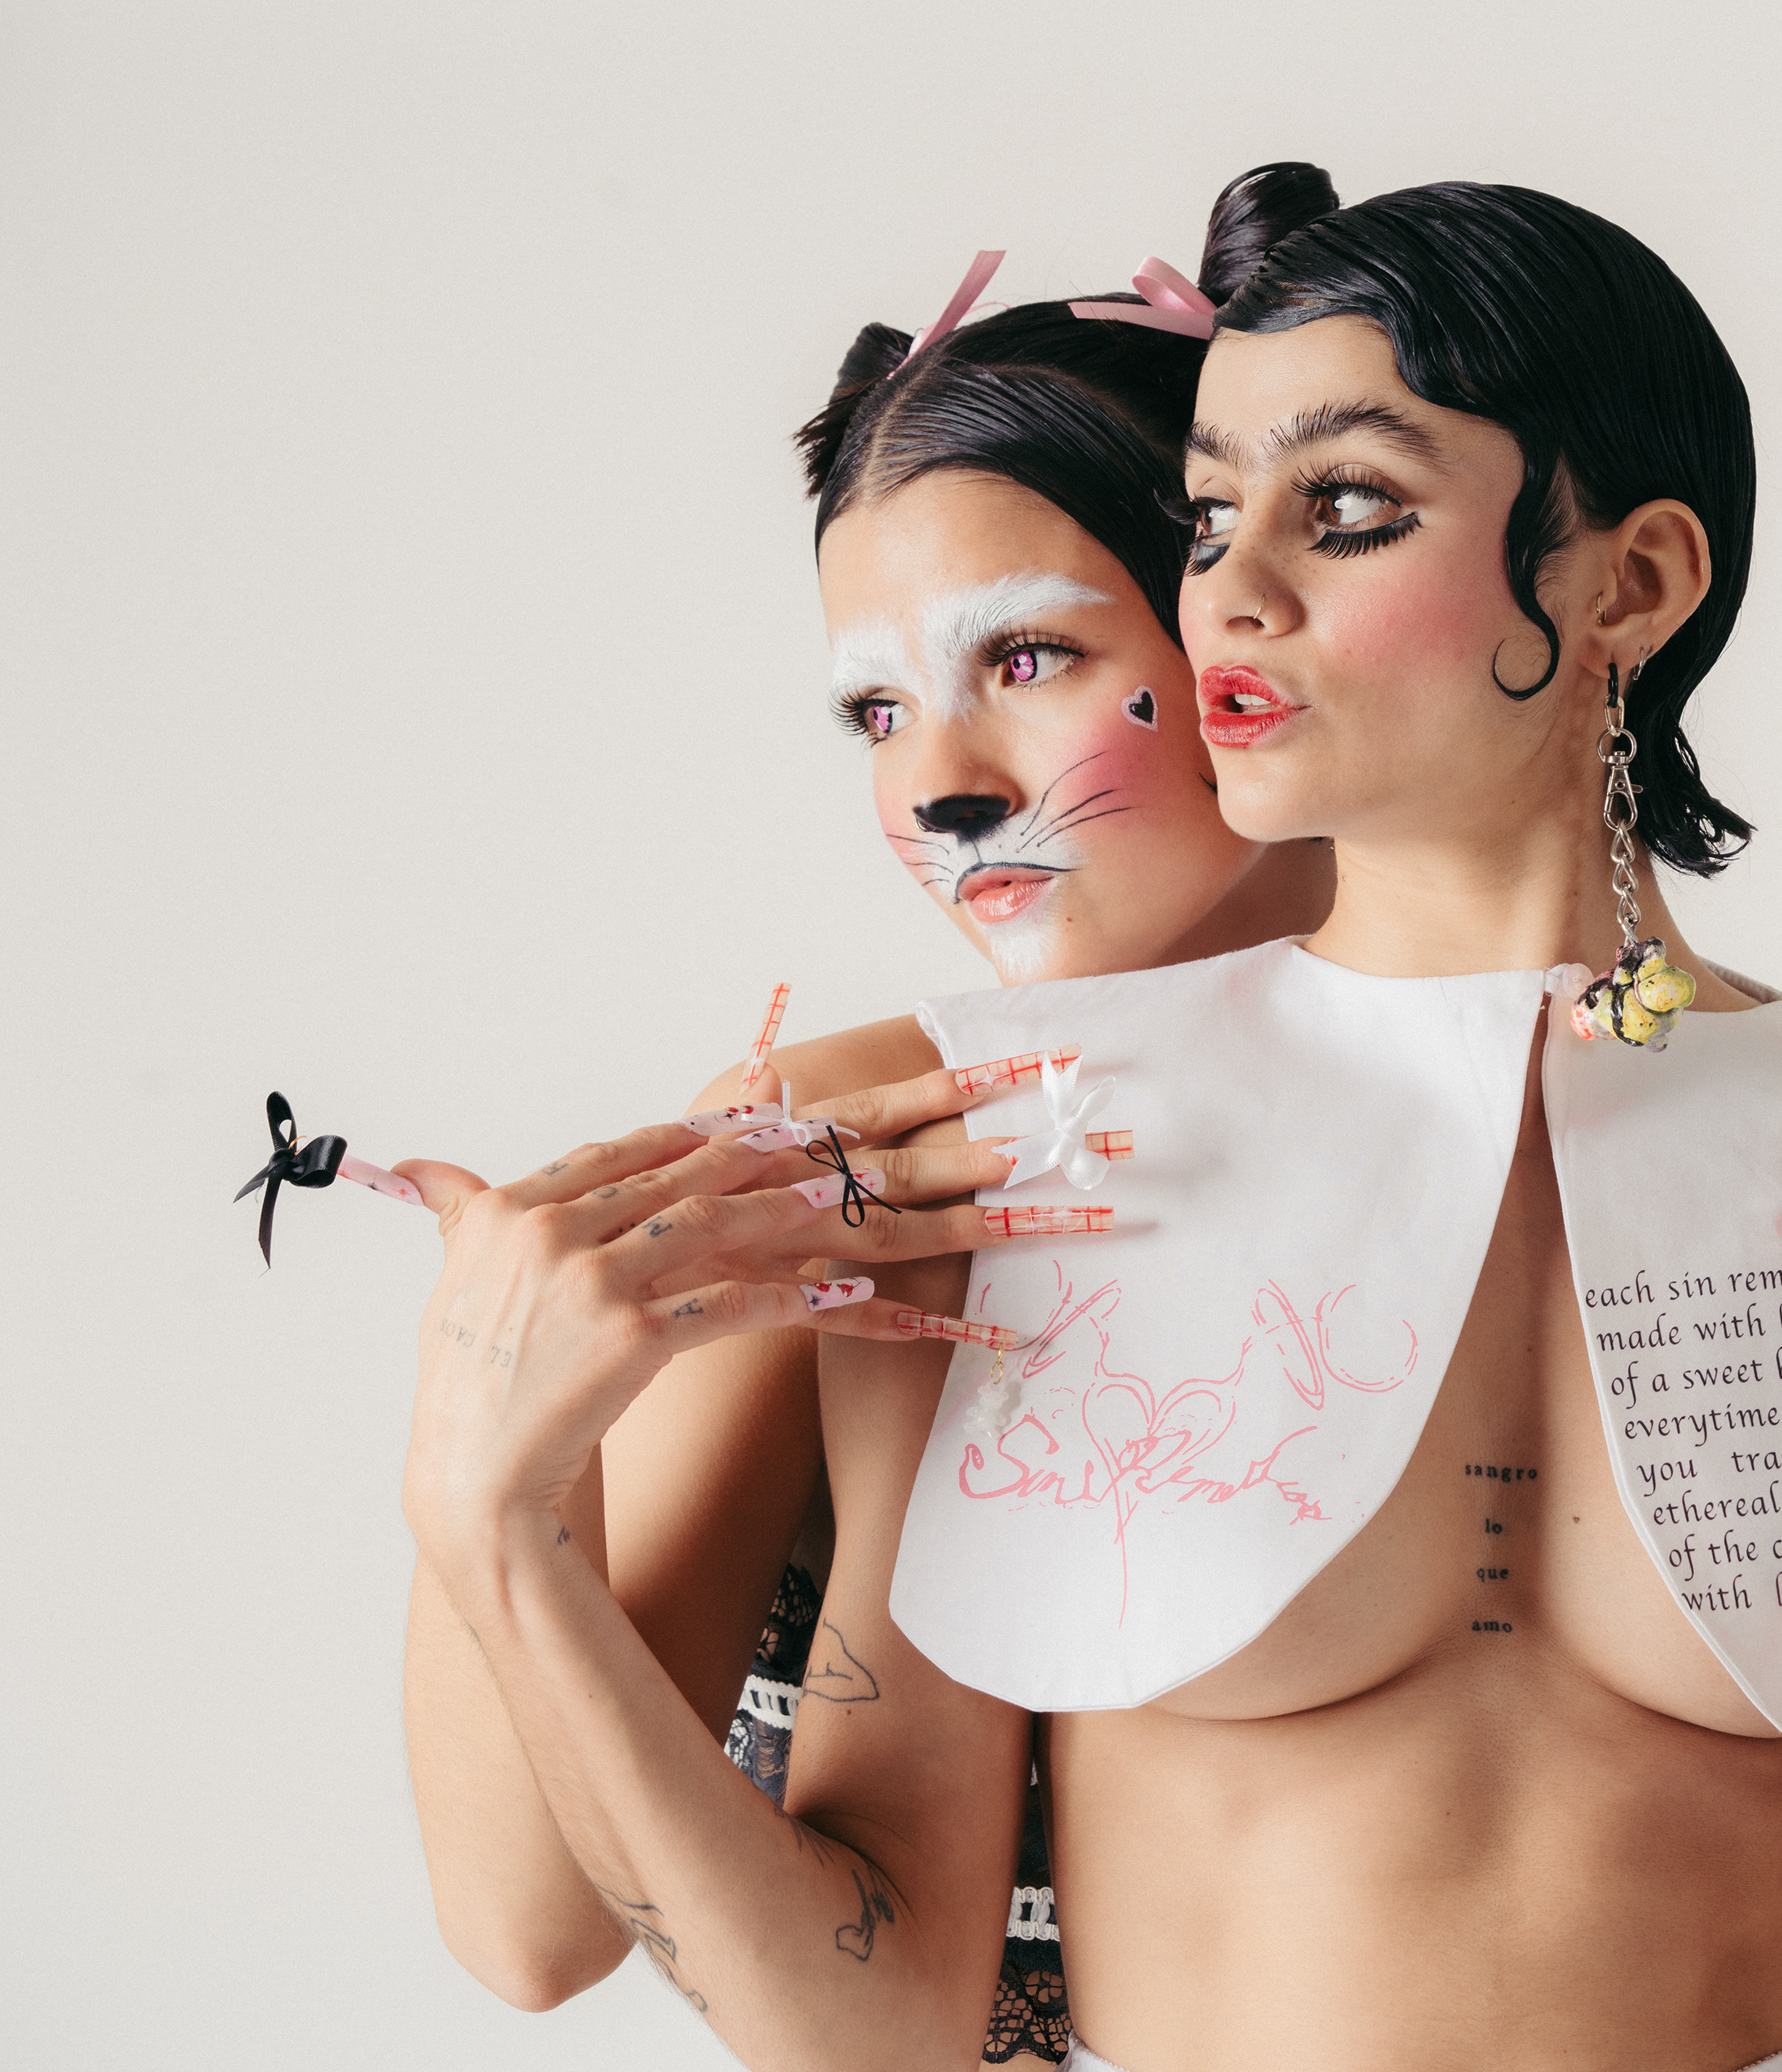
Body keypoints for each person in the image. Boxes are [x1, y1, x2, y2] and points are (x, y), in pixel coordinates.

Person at [401, 175, 1782, 2072]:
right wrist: (493, 1527)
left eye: (1346, 507)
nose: (1231, 596)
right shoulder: (998, 1152)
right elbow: (877, 2015)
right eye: (1207, 522)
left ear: (1635, 579)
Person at [401, 165, 1341, 2065]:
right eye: (877, 713)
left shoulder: (1580, 1099)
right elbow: (527, 1925)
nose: (942, 788)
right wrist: (488, 1479)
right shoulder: (844, 1148)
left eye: (1026, 658)